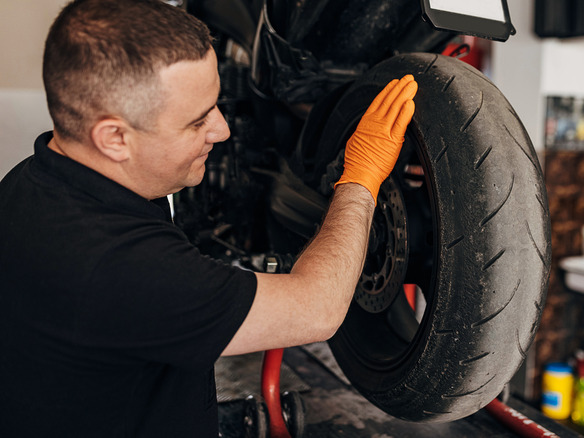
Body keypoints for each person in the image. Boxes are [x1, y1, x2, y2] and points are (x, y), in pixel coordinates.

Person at [0, 0, 417, 436]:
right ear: (115, 138)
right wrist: (361, 179)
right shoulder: (119, 267)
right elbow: (317, 309)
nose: (221, 130)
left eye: (216, 107)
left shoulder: (31, 182)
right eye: (197, 122)